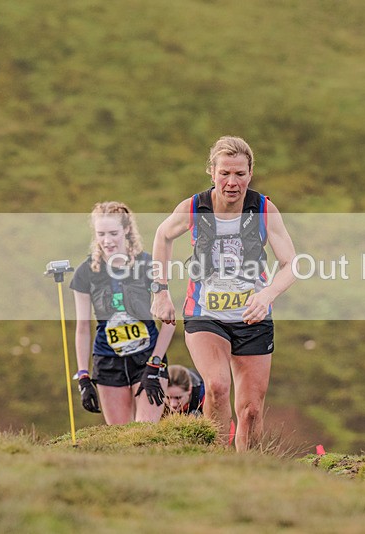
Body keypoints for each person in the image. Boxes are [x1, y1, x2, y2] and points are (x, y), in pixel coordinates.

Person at [151, 136, 296, 451]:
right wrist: (160, 291)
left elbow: (291, 264)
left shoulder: (263, 209)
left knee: (251, 410)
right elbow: (163, 234)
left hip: (252, 317)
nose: (232, 182)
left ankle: (246, 469)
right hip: (205, 314)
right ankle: (215, 460)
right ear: (212, 172)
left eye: (240, 174)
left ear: (250, 173)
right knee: (217, 386)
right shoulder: (194, 207)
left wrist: (267, 295)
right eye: (225, 173)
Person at [70, 201, 176, 425]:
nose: (107, 241)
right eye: (101, 234)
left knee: (145, 432)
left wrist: (155, 363)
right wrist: (83, 376)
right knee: (120, 435)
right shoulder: (85, 272)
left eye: (113, 233)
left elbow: (169, 320)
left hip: (147, 357)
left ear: (127, 229)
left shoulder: (148, 264)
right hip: (108, 362)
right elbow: (82, 328)